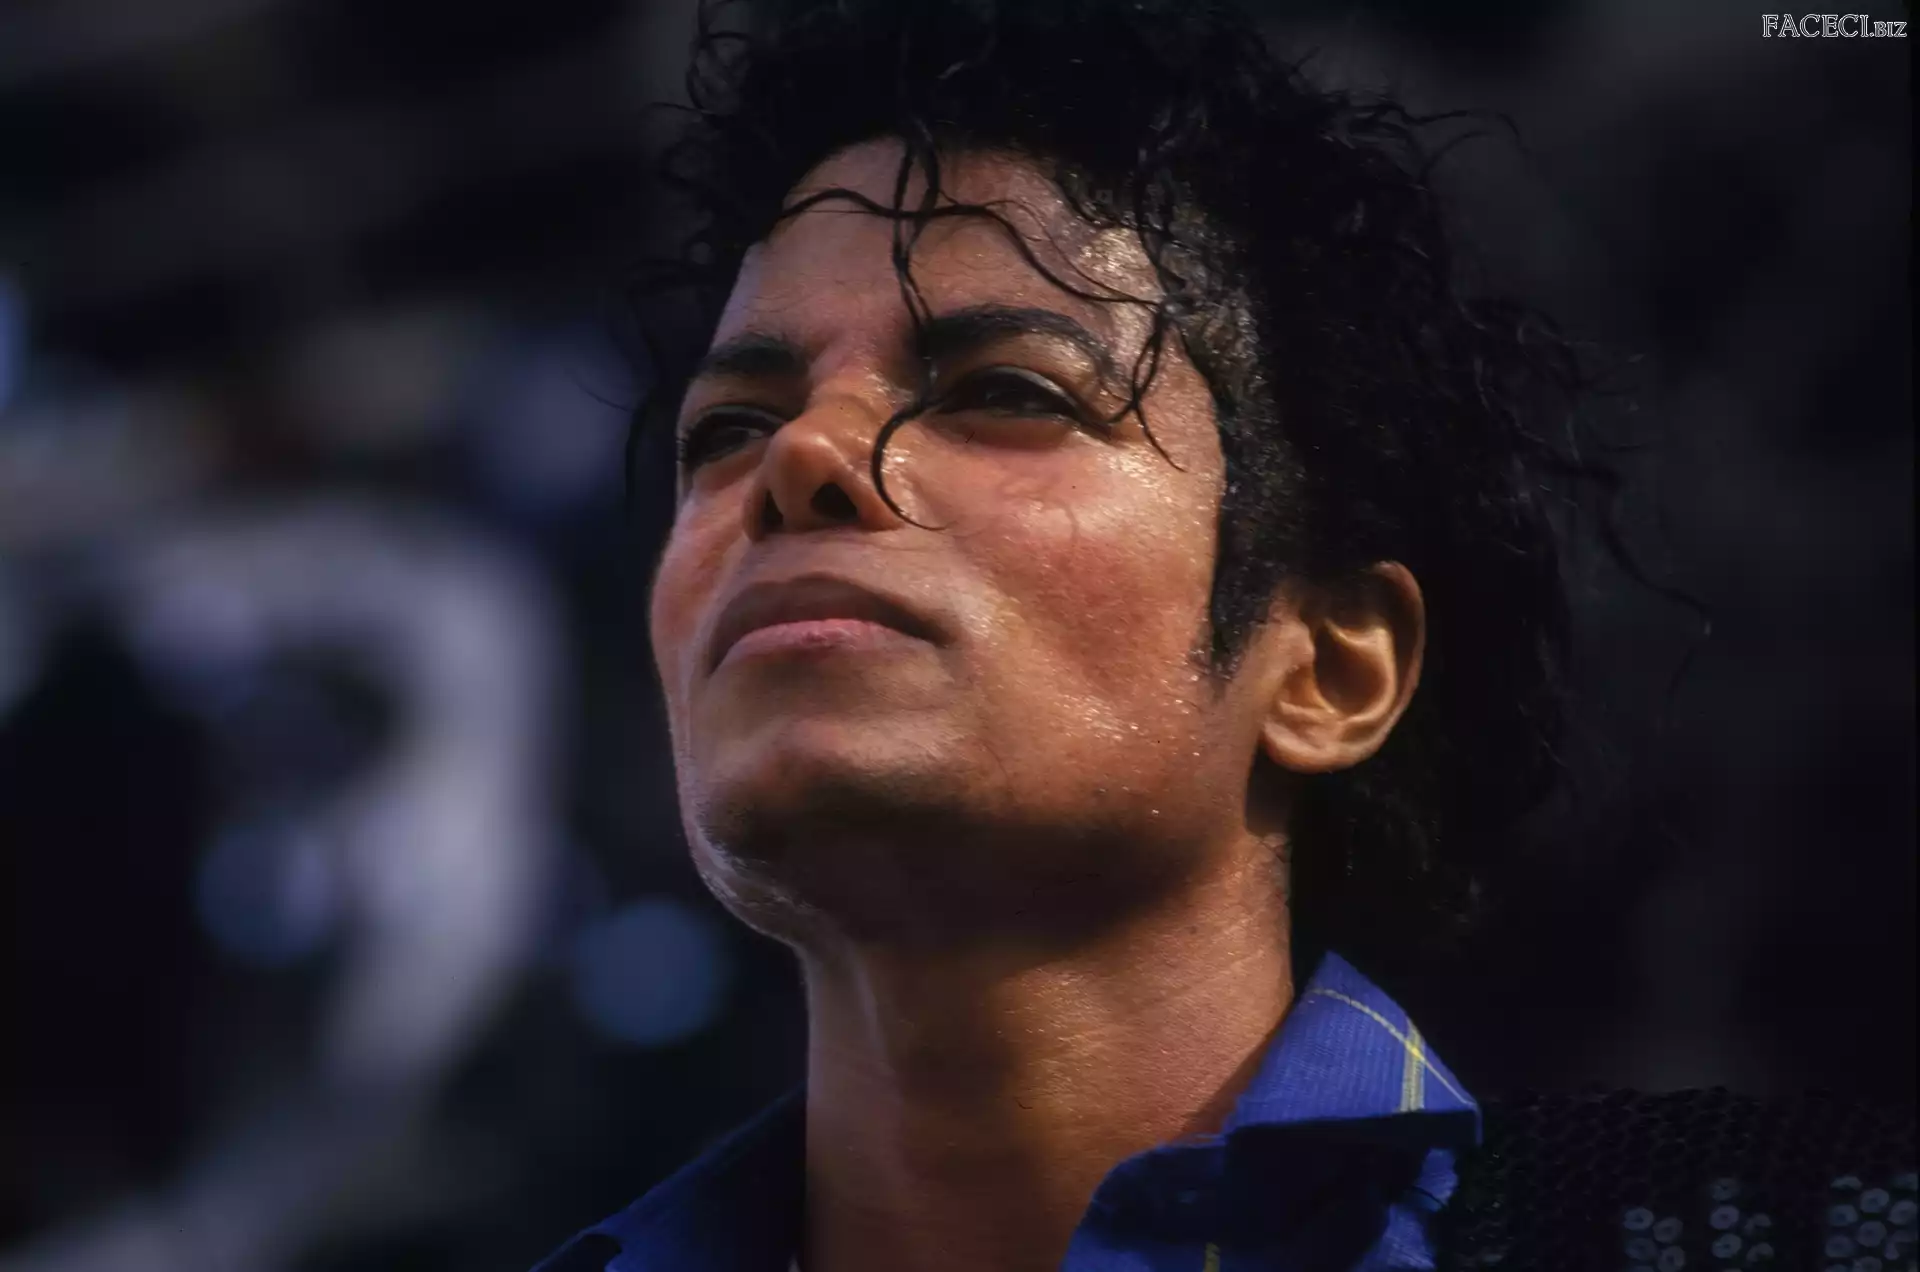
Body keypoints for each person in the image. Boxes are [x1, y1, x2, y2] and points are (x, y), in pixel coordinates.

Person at [536, 2, 1911, 1270]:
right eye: (729, 427)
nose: (802, 456)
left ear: (1330, 670)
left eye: (1008, 391)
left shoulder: (1804, 1235)